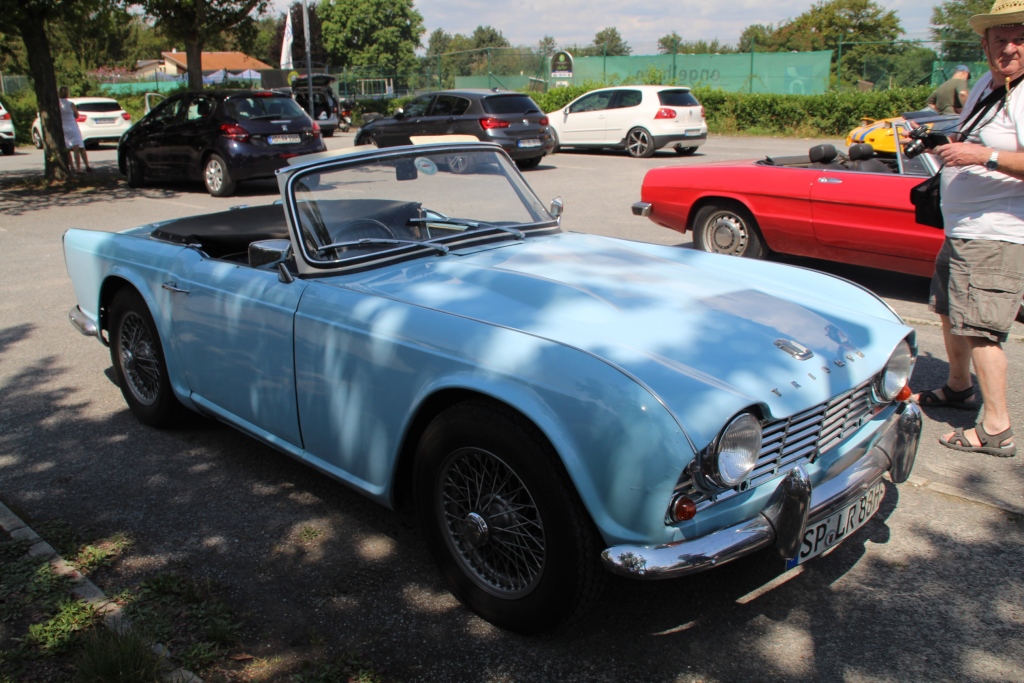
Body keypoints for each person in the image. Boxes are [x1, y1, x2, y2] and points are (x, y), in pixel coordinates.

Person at [909, 0, 1024, 458]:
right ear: (985, 45)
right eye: (1001, 40)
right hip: (963, 227)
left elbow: (987, 152)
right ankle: (959, 388)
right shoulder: (984, 85)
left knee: (980, 329)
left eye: (1019, 39)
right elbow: (970, 140)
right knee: (949, 310)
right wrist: (941, 144)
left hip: (996, 233)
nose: (1010, 48)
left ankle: (997, 429)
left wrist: (983, 156)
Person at [58, 86, 91, 173]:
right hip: (72, 126)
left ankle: (71, 167)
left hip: (63, 127)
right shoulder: (71, 104)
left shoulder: (57, 104)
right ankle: (81, 167)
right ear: (67, 93)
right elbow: (76, 115)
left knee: (67, 149)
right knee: (78, 148)